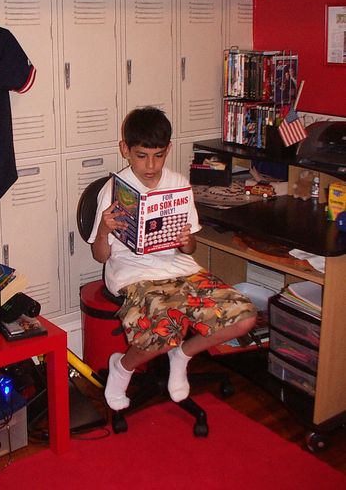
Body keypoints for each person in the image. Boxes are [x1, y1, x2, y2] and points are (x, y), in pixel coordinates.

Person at [89, 107, 256, 411]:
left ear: (168, 150)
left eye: (158, 155)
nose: (150, 166)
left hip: (179, 269)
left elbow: (189, 249)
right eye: (141, 156)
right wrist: (103, 229)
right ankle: (122, 368)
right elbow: (101, 256)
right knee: (163, 329)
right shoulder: (113, 190)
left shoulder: (179, 184)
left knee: (245, 317)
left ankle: (183, 354)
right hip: (133, 274)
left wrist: (188, 241)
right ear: (125, 150)